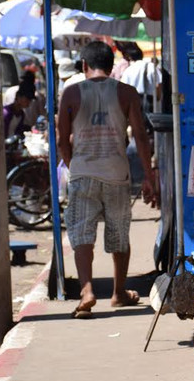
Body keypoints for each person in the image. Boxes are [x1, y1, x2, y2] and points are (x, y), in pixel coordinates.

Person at [57, 41, 160, 319]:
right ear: (112, 66)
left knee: (81, 234)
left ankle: (87, 290)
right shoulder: (126, 93)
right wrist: (149, 178)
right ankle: (119, 292)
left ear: (84, 66)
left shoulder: (71, 93)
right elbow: (140, 136)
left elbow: (61, 140)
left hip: (82, 172)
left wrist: (73, 165)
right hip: (117, 172)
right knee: (118, 233)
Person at [120, 43, 161, 112]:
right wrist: (157, 97)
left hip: (133, 102)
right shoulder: (151, 66)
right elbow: (159, 84)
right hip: (150, 101)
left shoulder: (128, 70)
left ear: (130, 57)